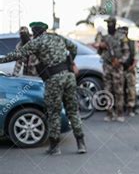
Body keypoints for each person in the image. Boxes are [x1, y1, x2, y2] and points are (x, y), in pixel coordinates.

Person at [0, 22, 86, 155]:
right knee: (73, 111)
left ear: (34, 32)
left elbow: (18, 55)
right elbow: (74, 48)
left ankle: (55, 147)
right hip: (69, 77)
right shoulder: (58, 37)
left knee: (54, 113)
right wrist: (69, 62)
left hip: (54, 80)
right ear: (45, 30)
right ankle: (81, 144)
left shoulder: (36, 42)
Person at [97, 16, 130, 122]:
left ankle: (120, 113)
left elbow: (126, 53)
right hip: (107, 66)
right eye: (107, 24)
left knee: (119, 91)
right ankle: (110, 113)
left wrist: (119, 61)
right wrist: (100, 47)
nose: (109, 25)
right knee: (107, 90)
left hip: (117, 67)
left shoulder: (121, 36)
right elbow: (99, 52)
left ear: (115, 24)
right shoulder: (104, 37)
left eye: (111, 23)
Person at [119, 26, 138, 116]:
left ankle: (131, 108)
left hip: (130, 68)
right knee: (121, 89)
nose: (123, 34)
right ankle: (122, 108)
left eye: (124, 32)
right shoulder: (118, 43)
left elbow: (136, 56)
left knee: (131, 89)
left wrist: (133, 66)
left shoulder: (132, 42)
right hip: (120, 69)